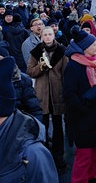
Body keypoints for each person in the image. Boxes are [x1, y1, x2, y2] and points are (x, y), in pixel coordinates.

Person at [63, 26, 96, 183]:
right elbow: (69, 95)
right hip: (83, 121)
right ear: (85, 48)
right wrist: (85, 108)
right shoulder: (73, 67)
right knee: (84, 160)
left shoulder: (95, 64)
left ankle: (94, 180)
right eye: (93, 44)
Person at [27, 27, 68, 172]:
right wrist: (41, 67)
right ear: (41, 36)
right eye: (45, 34)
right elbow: (30, 71)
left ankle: (59, 157)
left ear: (54, 35)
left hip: (57, 94)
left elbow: (66, 73)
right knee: (42, 128)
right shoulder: (36, 52)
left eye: (50, 34)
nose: (48, 37)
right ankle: (44, 158)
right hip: (42, 95)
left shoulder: (62, 51)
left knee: (58, 127)